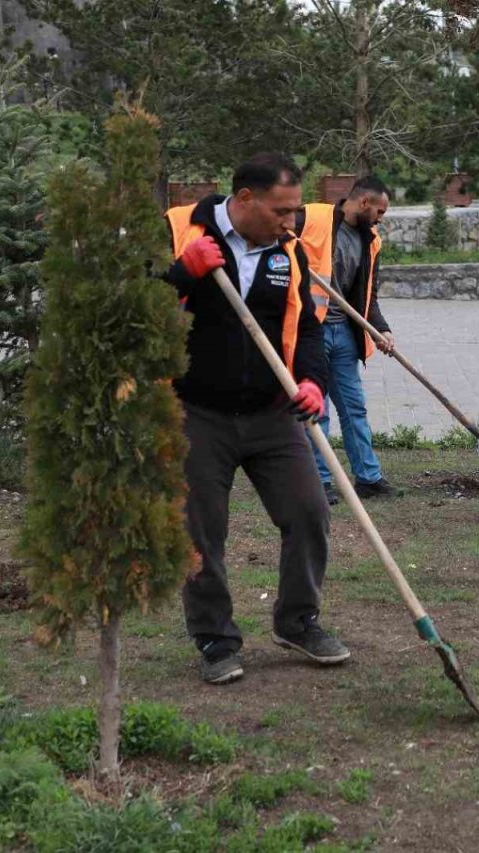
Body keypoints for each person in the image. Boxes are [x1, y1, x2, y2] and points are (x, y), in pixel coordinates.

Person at [162, 153, 349, 685]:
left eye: (295, 211)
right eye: (281, 211)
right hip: (196, 412)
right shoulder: (178, 231)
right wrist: (182, 273)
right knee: (201, 530)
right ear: (244, 199)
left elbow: (308, 328)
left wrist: (312, 383)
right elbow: (132, 306)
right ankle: (216, 639)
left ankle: (297, 621)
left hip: (272, 414)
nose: (291, 222)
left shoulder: (289, 252)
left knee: (309, 512)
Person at [294, 175, 399, 506]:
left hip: (345, 335)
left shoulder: (372, 241)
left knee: (354, 408)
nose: (380, 219)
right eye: (380, 212)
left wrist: (381, 329)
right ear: (364, 202)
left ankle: (368, 477)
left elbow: (369, 295)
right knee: (318, 409)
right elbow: (273, 242)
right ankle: (319, 481)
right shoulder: (310, 218)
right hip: (310, 332)